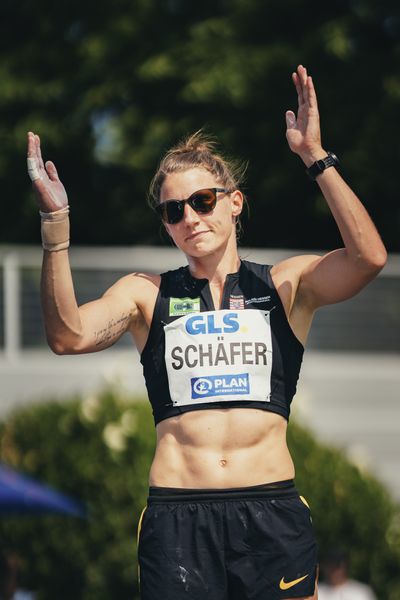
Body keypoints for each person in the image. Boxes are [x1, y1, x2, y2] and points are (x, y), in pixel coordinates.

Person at [27, 65, 387, 600]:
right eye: (174, 211)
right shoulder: (145, 294)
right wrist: (56, 230)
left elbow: (368, 259)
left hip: (271, 511)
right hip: (178, 517)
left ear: (234, 201)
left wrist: (315, 157)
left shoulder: (286, 285)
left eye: (202, 201)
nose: (190, 218)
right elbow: (68, 336)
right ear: (167, 224)